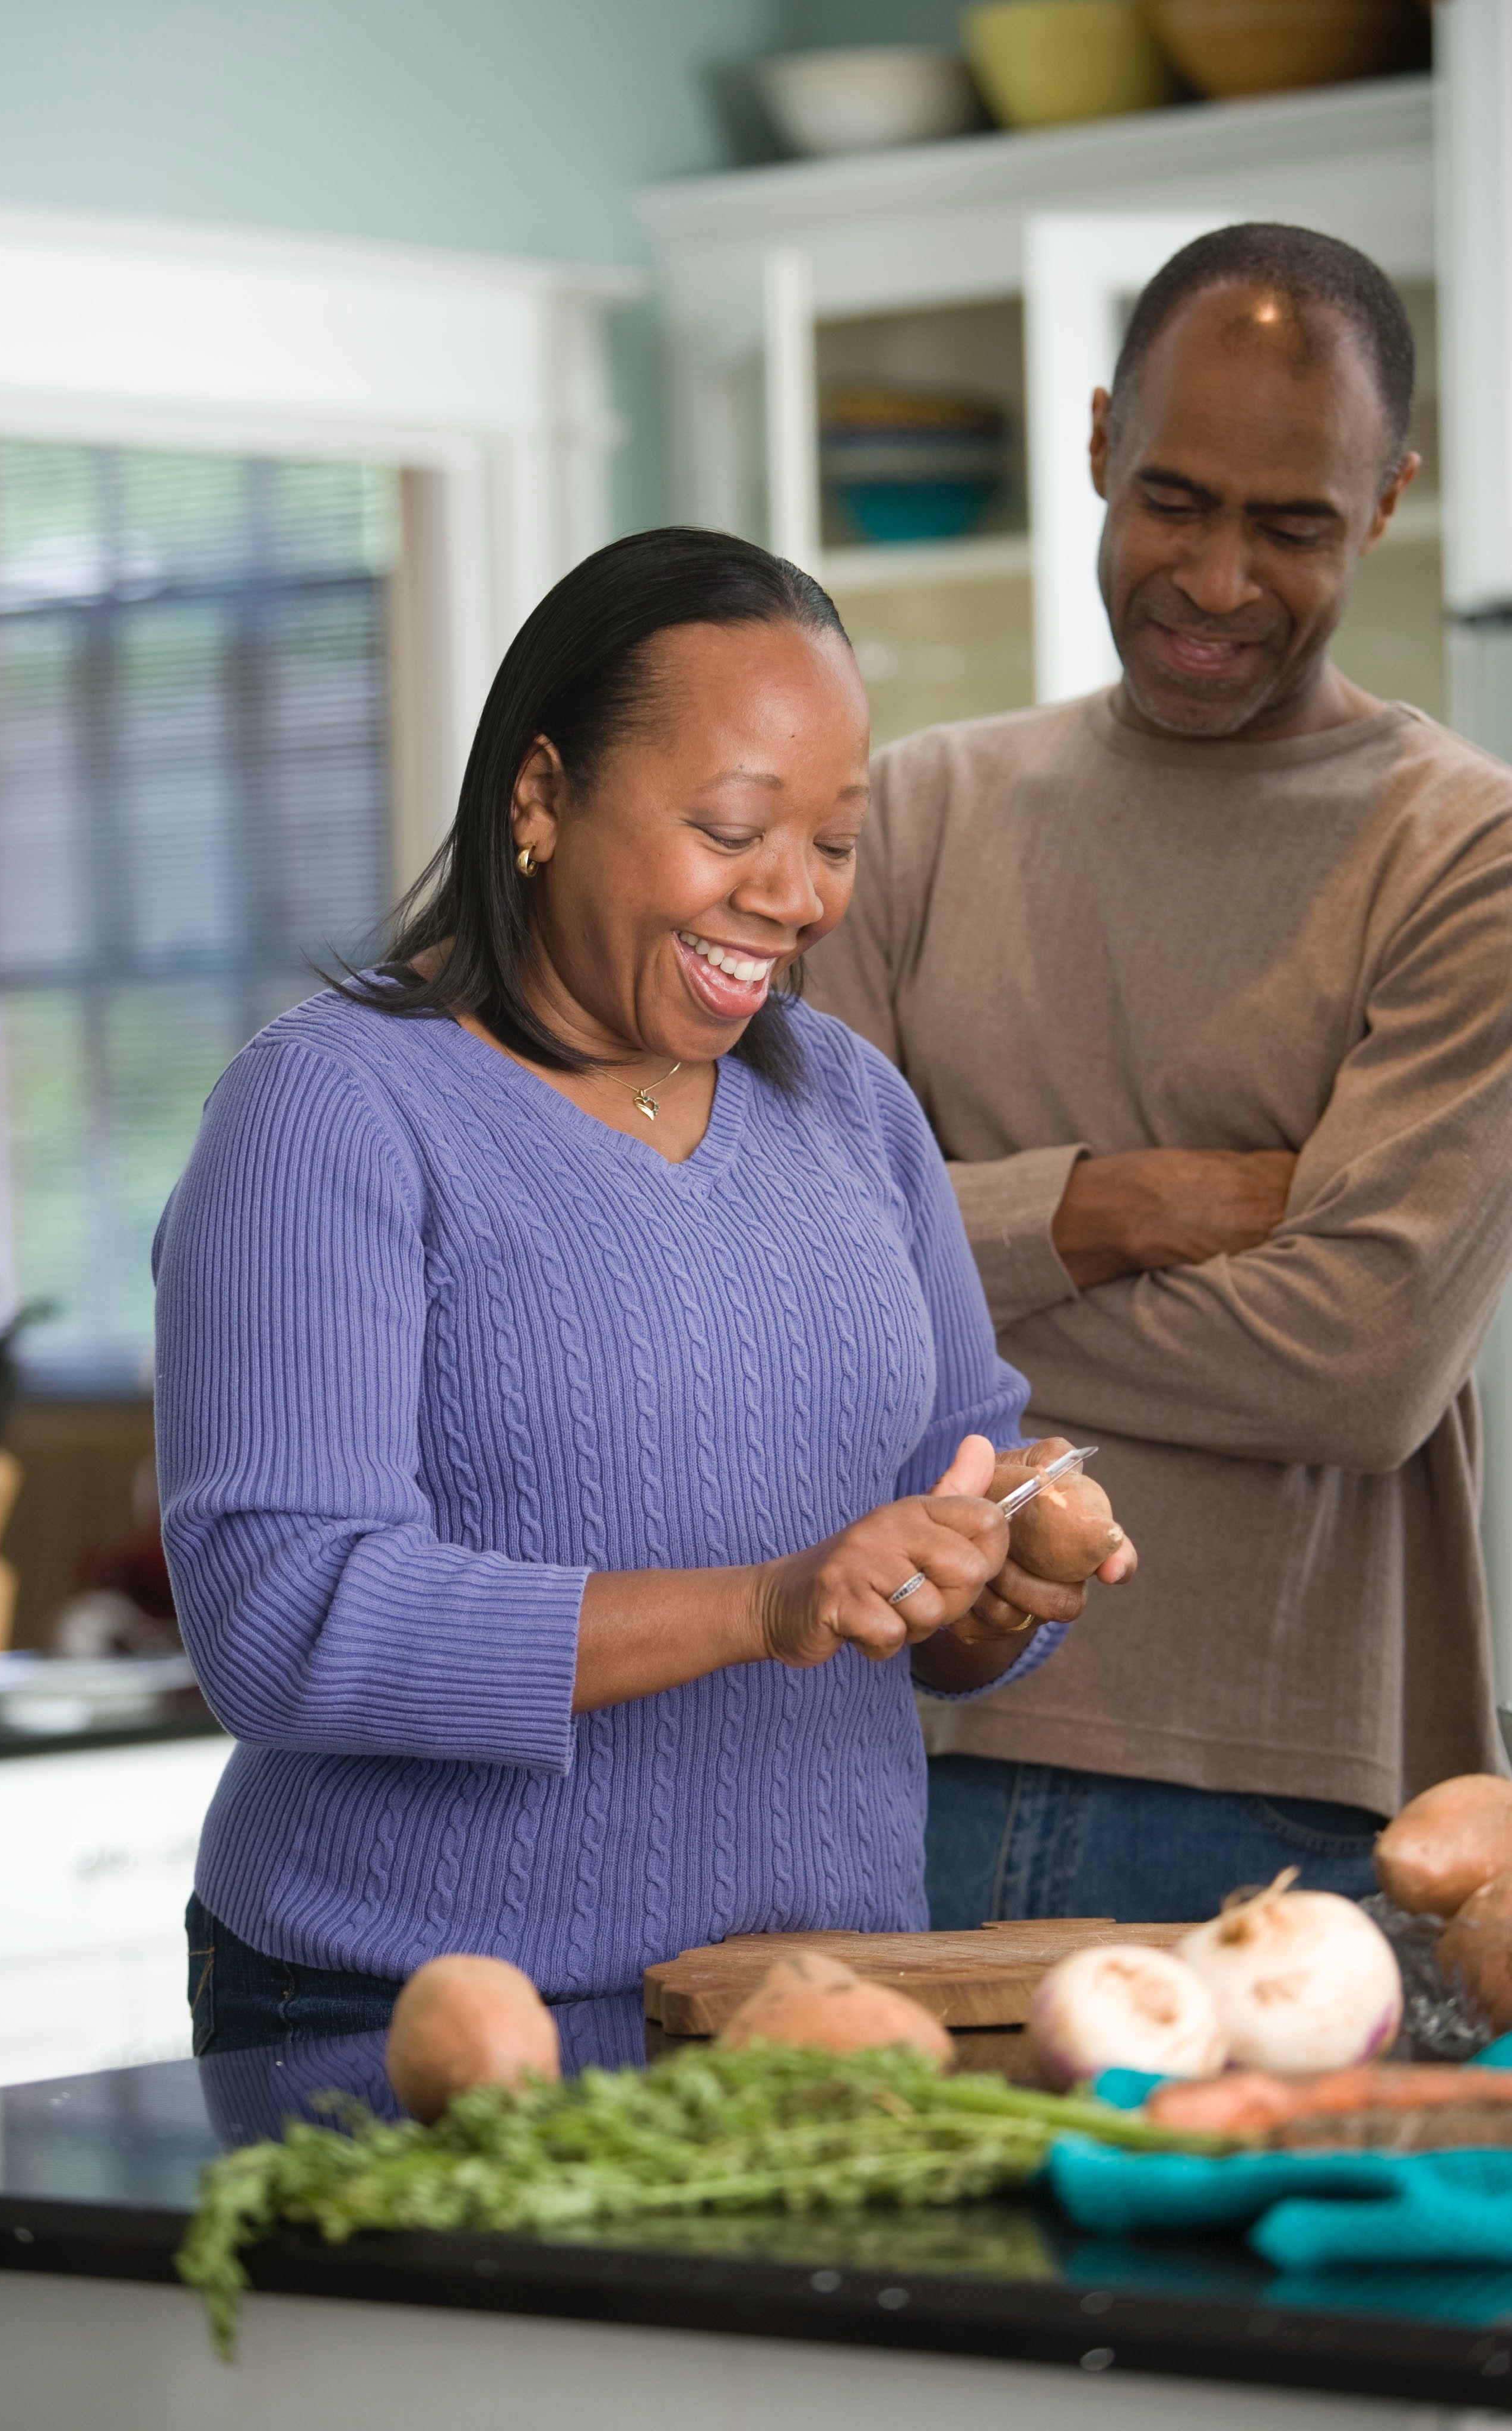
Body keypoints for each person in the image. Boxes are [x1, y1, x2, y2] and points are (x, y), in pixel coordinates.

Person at [155, 528, 1136, 2054]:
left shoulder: (852, 1105)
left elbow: (942, 1529)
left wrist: (995, 1577)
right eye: (736, 826)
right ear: (539, 796)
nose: (798, 896)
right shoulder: (334, 1111)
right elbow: (284, 1618)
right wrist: (764, 1599)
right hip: (414, 2011)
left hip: (818, 2011)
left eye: (835, 839)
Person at [805, 223, 1512, 1928]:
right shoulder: (907, 815)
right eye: (1176, 500)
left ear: (1389, 499)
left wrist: (943, 1256)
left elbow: (1356, 1367)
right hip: (881, 1739)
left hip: (1287, 1800)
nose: (1212, 578)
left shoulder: (1461, 854)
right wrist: (1120, 1207)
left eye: (1292, 527)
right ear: (1100, 438)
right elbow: (791, 1287)